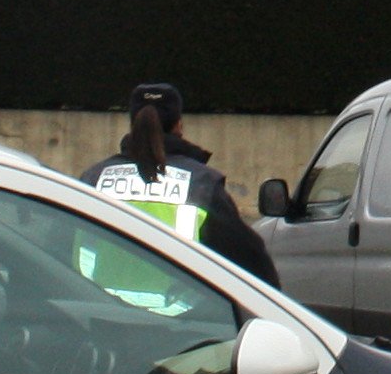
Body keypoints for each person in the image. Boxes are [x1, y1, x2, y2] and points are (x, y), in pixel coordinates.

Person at [86, 82, 281, 286]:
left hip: (96, 311)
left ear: (133, 123)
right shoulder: (201, 185)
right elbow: (251, 260)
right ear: (178, 124)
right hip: (180, 314)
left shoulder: (93, 178)